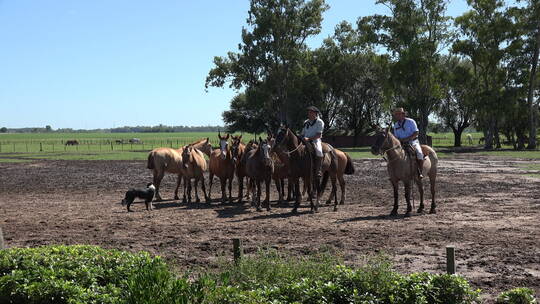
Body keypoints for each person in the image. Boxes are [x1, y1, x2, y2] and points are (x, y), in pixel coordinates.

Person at [392, 107, 424, 179]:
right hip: (401, 144)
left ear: (403, 114)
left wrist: (407, 139)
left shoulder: (411, 121)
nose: (397, 116)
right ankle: (395, 173)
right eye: (396, 114)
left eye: (398, 114)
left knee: (419, 153)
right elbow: (396, 137)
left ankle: (420, 172)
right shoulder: (396, 125)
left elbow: (416, 132)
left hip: (413, 142)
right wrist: (399, 141)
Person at [301, 106, 324, 179]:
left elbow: (319, 135)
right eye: (308, 112)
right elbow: (303, 133)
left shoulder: (319, 122)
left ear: (315, 113)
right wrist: (301, 137)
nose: (309, 114)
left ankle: (319, 170)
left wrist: (309, 138)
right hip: (304, 140)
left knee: (319, 151)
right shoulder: (306, 122)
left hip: (315, 140)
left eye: (311, 112)